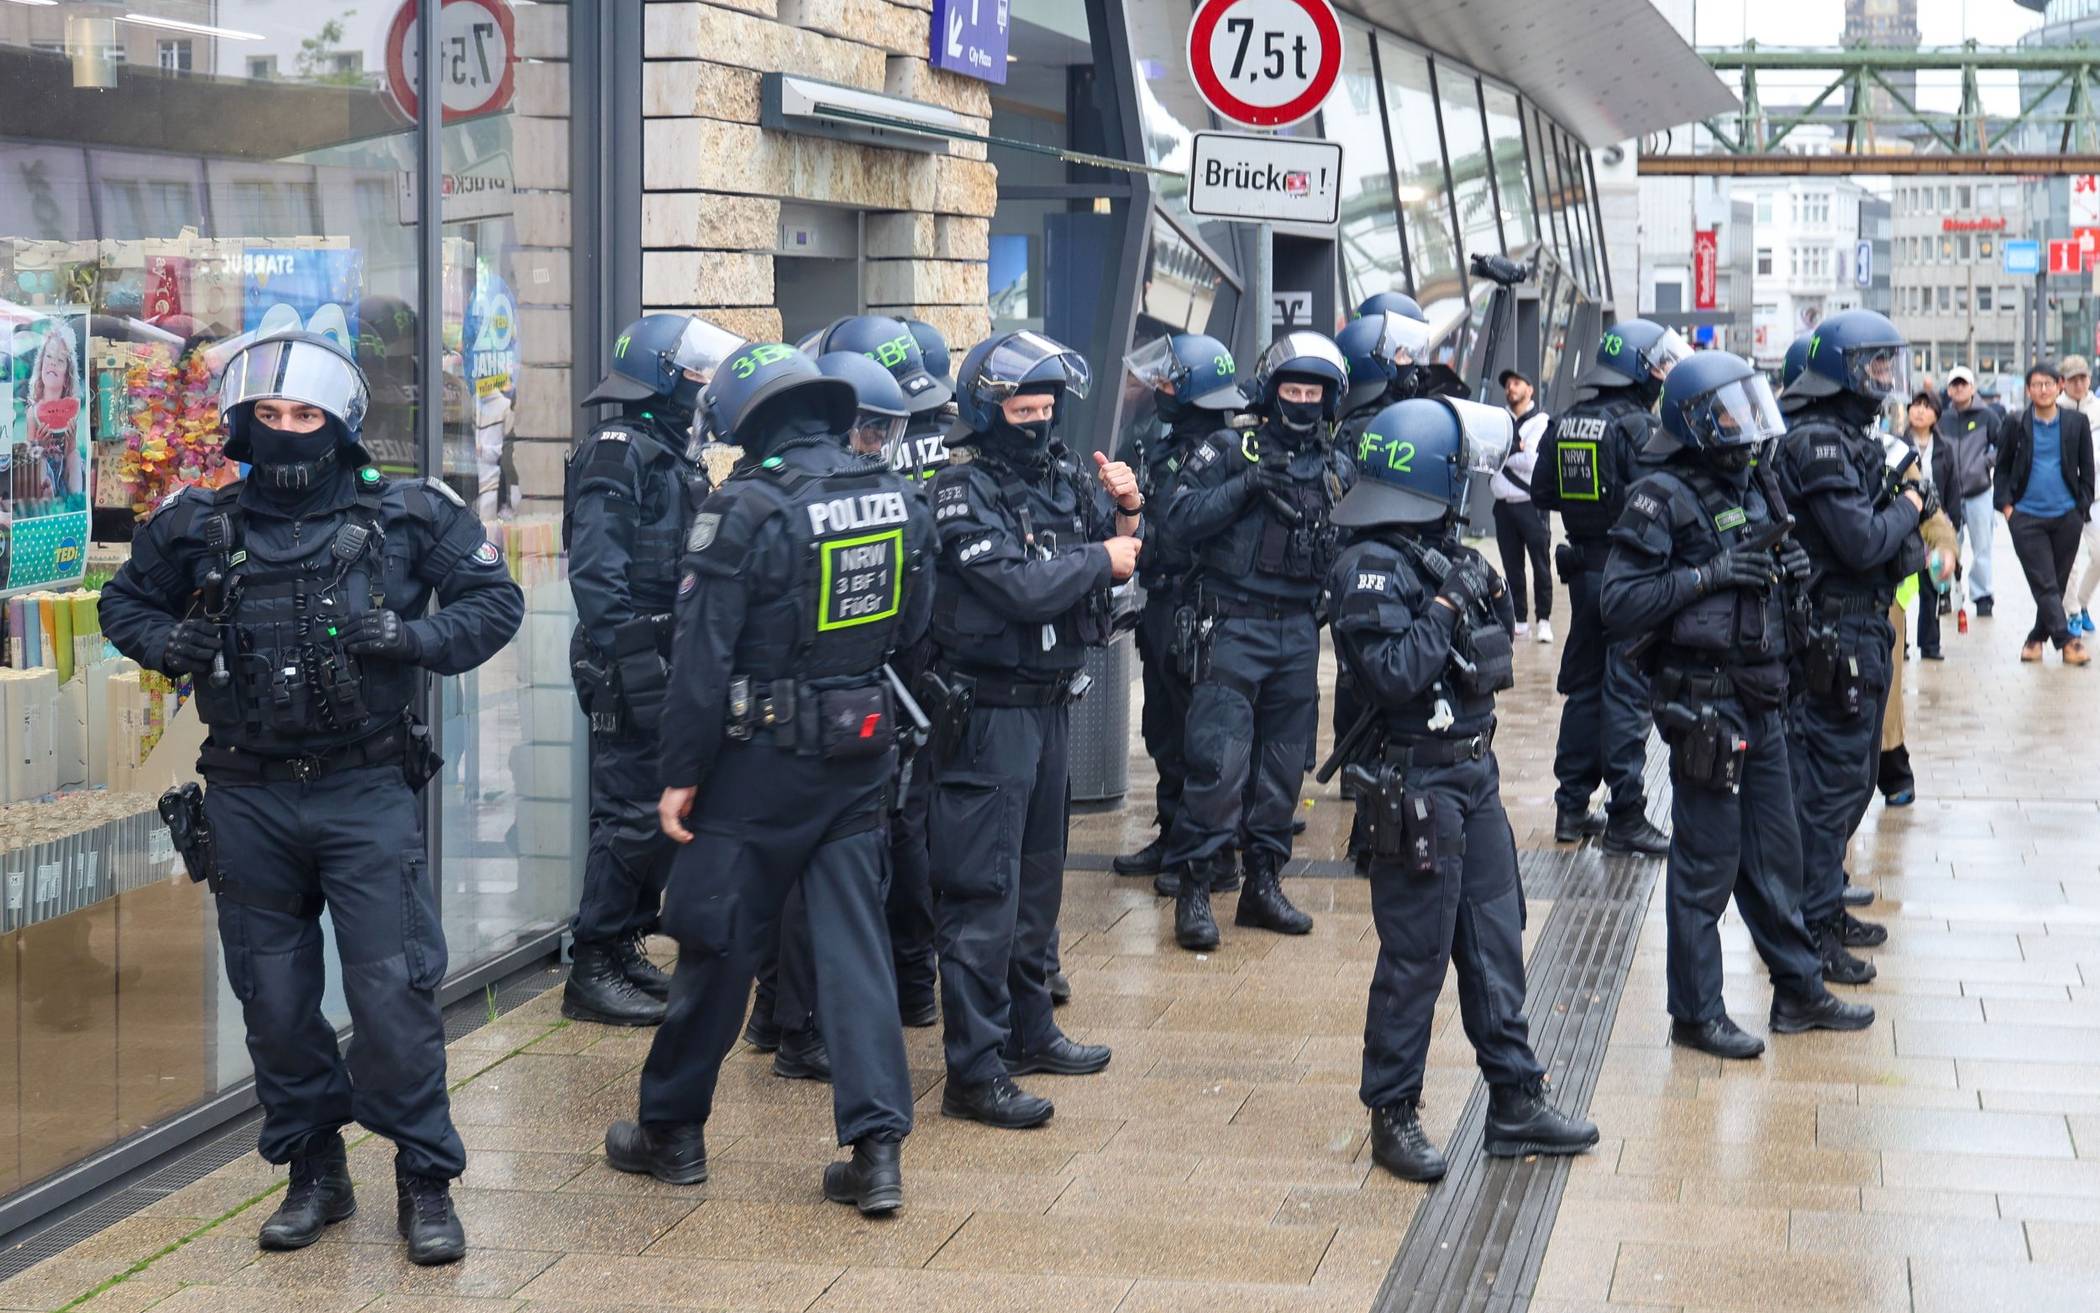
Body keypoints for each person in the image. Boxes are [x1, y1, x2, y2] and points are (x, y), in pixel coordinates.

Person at [102, 330, 525, 1264]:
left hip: (364, 787)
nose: (287, 428)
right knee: (276, 1000)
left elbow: (495, 603)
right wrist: (168, 644)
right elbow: (122, 603)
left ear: (341, 422)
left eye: (305, 414)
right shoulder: (198, 523)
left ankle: (424, 1178)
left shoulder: (407, 512)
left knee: (393, 992)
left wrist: (413, 640)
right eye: (269, 413)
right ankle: (314, 1170)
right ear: (241, 419)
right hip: (247, 793)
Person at [603, 342, 934, 1215]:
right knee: (855, 948)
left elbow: (700, 659)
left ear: (745, 421)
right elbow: (915, 627)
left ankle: (671, 1132)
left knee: (716, 942)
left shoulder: (744, 507)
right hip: (860, 752)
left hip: (758, 765)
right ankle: (877, 1153)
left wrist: (679, 774)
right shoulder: (896, 496)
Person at [1326, 394, 1599, 1181]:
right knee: (1415, 955)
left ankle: (1516, 1096)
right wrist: (1447, 603)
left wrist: (1472, 589)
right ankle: (1392, 1110)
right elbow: (1393, 673)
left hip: (1472, 771)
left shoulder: (1432, 551)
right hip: (1417, 779)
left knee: (1495, 938)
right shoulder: (1369, 566)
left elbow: (1493, 654)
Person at [1600, 350, 1877, 1059]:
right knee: (1706, 865)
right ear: (1694, 420)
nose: (1743, 425)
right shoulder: (1659, 495)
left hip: (1763, 699)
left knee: (1778, 856)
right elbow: (1620, 602)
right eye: (1727, 413)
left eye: (1746, 408)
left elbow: (1772, 587)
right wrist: (1708, 574)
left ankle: (1798, 990)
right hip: (1705, 706)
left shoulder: (1756, 483)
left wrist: (1791, 573)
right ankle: (1696, 1014)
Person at [925, 330, 1139, 1129]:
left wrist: (1129, 505)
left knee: (1039, 883)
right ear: (989, 411)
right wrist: (1101, 558)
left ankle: (1030, 1029)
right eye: (1023, 410)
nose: (1040, 421)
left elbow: (1116, 544)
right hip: (988, 716)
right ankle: (974, 1069)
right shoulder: (960, 490)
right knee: (985, 891)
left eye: (1047, 408)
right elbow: (1018, 585)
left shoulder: (1060, 475)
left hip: (1048, 708)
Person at [562, 314, 743, 1028]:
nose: (708, 387)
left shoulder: (673, 454)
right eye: (699, 374)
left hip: (667, 653)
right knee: (630, 814)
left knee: (659, 812)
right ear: (665, 378)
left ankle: (625, 941)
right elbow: (596, 575)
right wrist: (639, 667)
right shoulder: (618, 451)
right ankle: (592, 965)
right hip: (628, 659)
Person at [1159, 332, 1351, 951]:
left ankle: (1262, 885)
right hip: (1232, 625)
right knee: (1218, 766)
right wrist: (1243, 488)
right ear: (1271, 392)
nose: (1303, 403)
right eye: (1293, 390)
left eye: (1314, 394)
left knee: (1282, 769)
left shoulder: (1337, 466)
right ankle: (1195, 888)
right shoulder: (1227, 449)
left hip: (1298, 631)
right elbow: (1176, 520)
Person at [1772, 310, 1929, 984]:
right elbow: (1862, 541)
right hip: (1834, 635)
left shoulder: (1848, 436)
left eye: (1889, 362)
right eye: (1875, 364)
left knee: (1855, 779)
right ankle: (1812, 933)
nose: (1886, 376)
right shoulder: (1818, 442)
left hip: (1862, 628)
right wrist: (1911, 503)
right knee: (1828, 789)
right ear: (1842, 369)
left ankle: (1827, 909)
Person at [1529, 320, 1690, 852]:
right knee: (1626, 692)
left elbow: (1542, 491)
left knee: (1585, 686)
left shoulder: (1566, 421)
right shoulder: (1639, 426)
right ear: (1638, 369)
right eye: (1659, 364)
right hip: (1629, 573)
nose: (1663, 374)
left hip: (1583, 571)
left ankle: (1571, 807)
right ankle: (1626, 815)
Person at [1112, 333, 1245, 882]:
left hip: (1204, 611)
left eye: (1169, 382)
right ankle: (1173, 836)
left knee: (1204, 738)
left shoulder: (1230, 453)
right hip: (1164, 605)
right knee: (1164, 729)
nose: (1160, 390)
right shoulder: (1165, 448)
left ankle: (1212, 854)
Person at [1879, 424, 1960, 805]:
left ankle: (1892, 765)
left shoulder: (1889, 451)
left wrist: (1944, 546)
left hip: (1882, 596)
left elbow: (1930, 511)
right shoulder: (1788, 444)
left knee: (1885, 693)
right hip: (1811, 596)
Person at [1995, 363, 2096, 666]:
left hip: (2067, 515)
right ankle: (2067, 641)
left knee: (2056, 583)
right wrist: (2007, 508)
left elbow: (2087, 470)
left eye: (2048, 383)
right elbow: (2001, 467)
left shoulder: (2076, 422)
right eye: (2037, 384)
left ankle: (2036, 638)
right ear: (2028, 390)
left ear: (2059, 385)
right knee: (2045, 582)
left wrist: (2081, 507)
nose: (2043, 389)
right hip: (2026, 517)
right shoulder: (2015, 423)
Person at [1491, 367, 1554, 644]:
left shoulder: (1540, 421)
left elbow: (1531, 461)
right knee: (1512, 565)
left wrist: (1504, 453)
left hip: (1531, 504)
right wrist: (1516, 449)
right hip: (1503, 506)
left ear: (1530, 389)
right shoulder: (1499, 420)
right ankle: (1519, 619)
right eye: (1508, 384)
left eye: (1517, 382)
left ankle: (1544, 620)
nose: (1511, 388)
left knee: (1540, 564)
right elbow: (1488, 457)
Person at [1936, 366, 2003, 618]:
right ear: (1948, 389)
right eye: (1954, 384)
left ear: (1972, 388)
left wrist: (1985, 463)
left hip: (1979, 492)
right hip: (1949, 495)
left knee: (1982, 547)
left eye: (1963, 384)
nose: (1959, 388)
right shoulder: (1942, 419)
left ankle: (1983, 596)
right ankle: (1946, 592)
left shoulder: (1988, 416)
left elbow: (2003, 446)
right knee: (1947, 545)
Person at [1900, 391, 1956, 662]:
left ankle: (1930, 644)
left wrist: (1952, 524)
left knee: (1931, 586)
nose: (1920, 411)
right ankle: (1900, 643)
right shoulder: (1898, 445)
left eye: (1926, 406)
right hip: (1904, 524)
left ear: (1936, 415)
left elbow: (1953, 488)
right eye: (1915, 405)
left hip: (1936, 525)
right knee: (1901, 587)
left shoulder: (1944, 448)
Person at [2053, 355, 2100, 637]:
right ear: (2063, 382)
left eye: (2083, 378)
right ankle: (2071, 611)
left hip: (2096, 494)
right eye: (2073, 380)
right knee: (2068, 559)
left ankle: (2082, 602)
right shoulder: (2055, 410)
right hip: (2066, 495)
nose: (2079, 384)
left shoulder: (2098, 410)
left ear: (2089, 379)